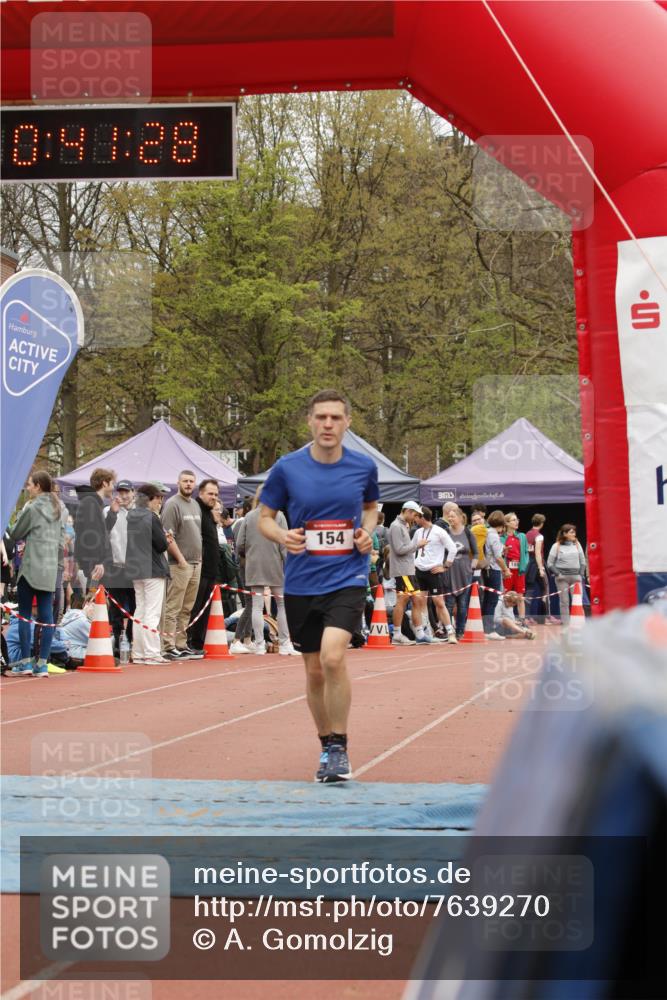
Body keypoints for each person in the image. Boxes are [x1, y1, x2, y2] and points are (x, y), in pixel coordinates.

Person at [259, 389, 379, 783]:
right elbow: (264, 518)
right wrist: (282, 536)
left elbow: (371, 508)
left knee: (332, 657)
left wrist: (367, 534)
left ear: (347, 423)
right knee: (313, 671)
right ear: (310, 421)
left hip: (348, 576)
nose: (328, 424)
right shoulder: (287, 468)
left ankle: (340, 746)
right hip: (302, 581)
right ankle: (326, 744)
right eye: (321, 417)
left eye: (336, 418)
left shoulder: (363, 467)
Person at [8, 471, 65, 677]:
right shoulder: (59, 508)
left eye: (30, 485)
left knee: (24, 614)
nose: (28, 488)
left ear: (39, 486)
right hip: (50, 570)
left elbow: (15, 533)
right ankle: (42, 663)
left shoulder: (32, 508)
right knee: (47, 616)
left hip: (31, 568)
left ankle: (25, 662)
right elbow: (62, 542)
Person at [236, 485, 298, 656]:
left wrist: (248, 555)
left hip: (254, 565)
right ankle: (285, 643)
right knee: (282, 604)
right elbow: (285, 544)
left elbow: (240, 543)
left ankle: (259, 644)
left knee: (256, 606)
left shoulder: (248, 516)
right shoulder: (279, 516)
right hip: (275, 565)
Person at [126, 483, 172, 664]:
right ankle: (152, 652)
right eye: (157, 498)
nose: (159, 502)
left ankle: (138, 651)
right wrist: (167, 539)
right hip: (152, 568)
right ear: (150, 499)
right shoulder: (152, 517)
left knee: (141, 610)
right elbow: (161, 545)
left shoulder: (131, 516)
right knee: (152, 612)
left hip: (137, 568)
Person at [161, 470, 202, 660]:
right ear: (178, 483)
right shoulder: (172, 505)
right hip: (179, 564)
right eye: (185, 481)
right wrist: (181, 560)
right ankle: (167, 645)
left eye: (191, 481)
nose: (188, 484)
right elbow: (168, 536)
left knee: (187, 608)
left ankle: (180, 643)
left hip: (196, 563)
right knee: (173, 606)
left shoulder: (194, 505)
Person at [185, 479, 221, 657]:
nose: (213, 497)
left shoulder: (209, 512)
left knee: (204, 608)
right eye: (210, 493)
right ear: (201, 493)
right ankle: (189, 641)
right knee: (194, 606)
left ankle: (198, 642)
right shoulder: (196, 509)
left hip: (210, 570)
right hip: (198, 568)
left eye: (216, 494)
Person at [413, 505, 458, 643]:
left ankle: (450, 632)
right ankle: (426, 632)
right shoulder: (418, 532)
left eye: (416, 516)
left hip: (433, 571)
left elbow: (453, 549)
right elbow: (411, 548)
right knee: (420, 602)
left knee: (439, 602)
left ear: (422, 517)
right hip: (419, 570)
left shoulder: (439, 531)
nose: (414, 519)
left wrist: (445, 566)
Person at [388, 501, 429, 645]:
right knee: (403, 600)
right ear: (408, 511)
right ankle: (398, 634)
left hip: (407, 569)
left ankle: (419, 633)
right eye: (415, 515)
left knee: (416, 600)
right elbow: (399, 550)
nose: (415, 518)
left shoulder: (402, 525)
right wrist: (417, 545)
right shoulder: (396, 526)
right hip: (403, 570)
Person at [105, 479, 136, 658]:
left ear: (133, 492)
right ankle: (117, 642)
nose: (123, 495)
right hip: (115, 566)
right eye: (121, 492)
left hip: (135, 567)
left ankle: (131, 641)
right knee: (115, 609)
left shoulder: (140, 512)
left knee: (135, 608)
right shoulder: (108, 511)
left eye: (127, 492)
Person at [74, 467, 115, 591]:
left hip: (97, 564)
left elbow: (101, 533)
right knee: (94, 602)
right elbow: (90, 536)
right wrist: (98, 562)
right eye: (112, 483)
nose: (113, 487)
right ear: (104, 483)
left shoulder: (94, 503)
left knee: (97, 604)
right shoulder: (90, 503)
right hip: (96, 567)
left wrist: (113, 513)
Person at [444, 505, 478, 640]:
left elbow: (475, 553)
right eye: (449, 516)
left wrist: (472, 566)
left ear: (459, 517)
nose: (450, 518)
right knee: (449, 603)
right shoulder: (445, 532)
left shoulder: (468, 532)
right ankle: (448, 631)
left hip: (465, 572)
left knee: (463, 604)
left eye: (452, 516)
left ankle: (460, 631)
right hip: (449, 571)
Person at [547, 524, 587, 627]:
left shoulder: (577, 545)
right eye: (571, 532)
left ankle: (579, 622)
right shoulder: (556, 546)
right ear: (565, 534)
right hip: (562, 578)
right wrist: (558, 574)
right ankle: (566, 623)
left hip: (576, 578)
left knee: (578, 600)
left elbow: (583, 561)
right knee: (564, 601)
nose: (574, 534)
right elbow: (550, 563)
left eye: (574, 532)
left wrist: (581, 574)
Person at [481, 509, 511, 638]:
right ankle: (488, 630)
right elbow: (498, 557)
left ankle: (484, 627)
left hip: (486, 568)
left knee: (487, 599)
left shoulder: (487, 532)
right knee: (492, 600)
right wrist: (506, 569)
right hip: (493, 569)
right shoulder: (493, 535)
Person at [501, 512, 529, 622]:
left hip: (519, 571)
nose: (516, 521)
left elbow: (526, 552)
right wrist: (504, 568)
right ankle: (507, 620)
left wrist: (524, 564)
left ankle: (522, 620)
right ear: (507, 523)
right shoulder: (502, 538)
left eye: (517, 519)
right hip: (507, 570)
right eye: (513, 520)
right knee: (506, 596)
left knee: (520, 596)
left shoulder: (522, 536)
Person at [525, 513, 548, 625]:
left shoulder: (527, 534)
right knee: (545, 588)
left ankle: (527, 617)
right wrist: (541, 568)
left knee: (528, 590)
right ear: (542, 524)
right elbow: (538, 553)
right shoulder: (539, 536)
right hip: (536, 564)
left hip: (528, 565)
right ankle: (544, 618)